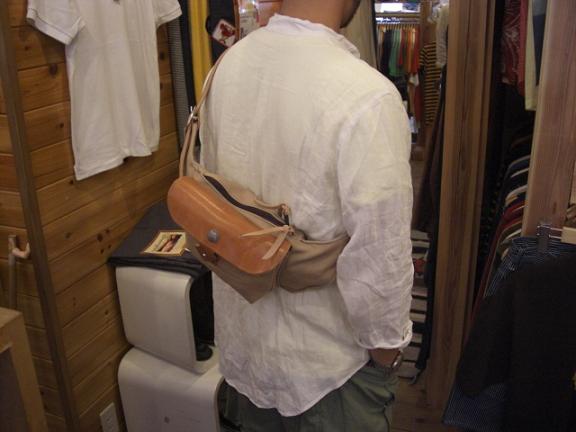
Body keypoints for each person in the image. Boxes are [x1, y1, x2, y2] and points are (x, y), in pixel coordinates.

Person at [199, 0, 414, 430]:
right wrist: (387, 357)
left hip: (243, 356)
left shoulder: (224, 68)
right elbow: (379, 263)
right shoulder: (368, 97)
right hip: (329, 376)